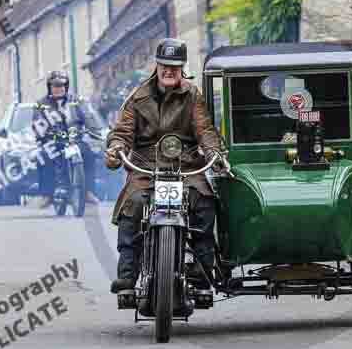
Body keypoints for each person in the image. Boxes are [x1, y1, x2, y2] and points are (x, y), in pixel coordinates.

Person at [105, 39, 224, 295]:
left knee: (204, 203)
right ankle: (127, 274)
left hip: (186, 165)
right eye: (165, 65)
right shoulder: (138, 97)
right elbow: (123, 132)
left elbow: (204, 128)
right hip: (146, 168)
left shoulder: (192, 95)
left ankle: (203, 271)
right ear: (156, 66)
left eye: (175, 66)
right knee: (133, 204)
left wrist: (214, 151)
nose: (169, 71)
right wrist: (116, 148)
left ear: (182, 68)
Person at [32, 71, 99, 208]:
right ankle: (47, 195)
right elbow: (37, 122)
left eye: (62, 85)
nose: (58, 88)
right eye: (55, 86)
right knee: (43, 156)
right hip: (53, 141)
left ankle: (88, 192)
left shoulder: (77, 101)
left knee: (89, 154)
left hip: (76, 140)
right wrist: (42, 134)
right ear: (49, 87)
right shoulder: (41, 104)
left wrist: (95, 130)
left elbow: (88, 117)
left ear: (66, 86)